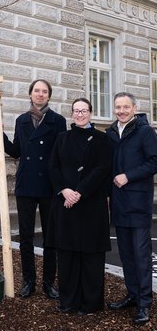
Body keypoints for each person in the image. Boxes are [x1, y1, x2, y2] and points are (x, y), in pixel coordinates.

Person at [0, 79, 66, 299]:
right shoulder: (21, 120)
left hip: (48, 185)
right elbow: (17, 151)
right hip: (27, 184)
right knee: (26, 237)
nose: (40, 94)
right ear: (30, 94)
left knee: (51, 237)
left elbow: (60, 155)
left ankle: (49, 283)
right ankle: (29, 281)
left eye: (44, 91)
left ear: (49, 96)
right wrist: (0, 135)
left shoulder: (58, 121)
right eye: (36, 91)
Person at [48, 98, 112, 314]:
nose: (80, 114)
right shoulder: (62, 138)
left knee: (91, 257)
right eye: (76, 111)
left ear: (91, 113)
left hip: (91, 204)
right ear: (72, 114)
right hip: (65, 204)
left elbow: (102, 169)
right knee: (67, 257)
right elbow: (53, 166)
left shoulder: (102, 139)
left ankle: (91, 304)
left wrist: (80, 192)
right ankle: (68, 302)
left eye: (84, 111)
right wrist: (64, 190)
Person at [106, 92, 157, 325]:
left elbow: (154, 161)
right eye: (118, 107)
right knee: (126, 255)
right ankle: (133, 295)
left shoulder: (145, 131)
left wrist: (129, 176)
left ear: (134, 108)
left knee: (141, 256)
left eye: (126, 107)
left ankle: (145, 303)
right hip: (118, 203)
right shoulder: (110, 133)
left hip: (138, 203)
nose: (122, 111)